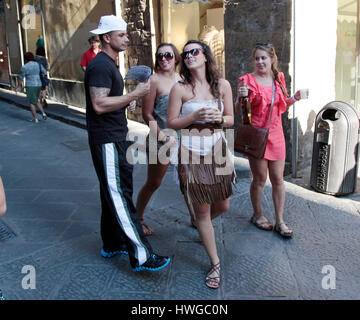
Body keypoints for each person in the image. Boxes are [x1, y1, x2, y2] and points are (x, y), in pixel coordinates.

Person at [85, 14, 170, 272]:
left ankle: (112, 244)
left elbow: (108, 99)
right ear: (107, 38)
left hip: (116, 136)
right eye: (121, 35)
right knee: (119, 195)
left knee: (111, 192)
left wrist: (125, 100)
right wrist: (133, 94)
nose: (126, 38)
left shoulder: (109, 64)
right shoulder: (100, 65)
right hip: (107, 138)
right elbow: (99, 104)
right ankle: (142, 256)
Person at [167, 40, 234, 289]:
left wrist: (220, 118)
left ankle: (198, 221)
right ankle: (215, 263)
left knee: (224, 205)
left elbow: (231, 119)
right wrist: (193, 116)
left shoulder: (222, 85)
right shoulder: (180, 88)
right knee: (204, 211)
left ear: (205, 56)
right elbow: (172, 122)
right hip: (192, 152)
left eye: (194, 51)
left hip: (218, 151)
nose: (188, 56)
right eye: (185, 54)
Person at [236, 43, 305, 239]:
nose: (260, 62)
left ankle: (280, 220)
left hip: (276, 135)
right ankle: (257, 214)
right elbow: (240, 109)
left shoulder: (278, 79)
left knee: (278, 180)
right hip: (257, 135)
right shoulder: (247, 80)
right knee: (259, 179)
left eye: (263, 58)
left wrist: (295, 98)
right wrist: (241, 97)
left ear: (272, 59)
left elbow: (281, 107)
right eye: (256, 58)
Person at [135, 43, 181, 236]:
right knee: (154, 182)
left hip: (183, 139)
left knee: (187, 180)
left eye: (168, 55)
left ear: (176, 58)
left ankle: (197, 217)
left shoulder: (183, 79)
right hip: (159, 139)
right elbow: (147, 114)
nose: (164, 59)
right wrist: (162, 136)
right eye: (160, 56)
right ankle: (138, 218)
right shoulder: (153, 81)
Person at [16, 52, 47, 123]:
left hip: (30, 85)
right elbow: (45, 72)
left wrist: (18, 86)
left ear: (26, 59)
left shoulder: (25, 67)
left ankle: (35, 118)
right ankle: (43, 113)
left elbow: (21, 78)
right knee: (36, 100)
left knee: (31, 102)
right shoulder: (38, 64)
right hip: (38, 84)